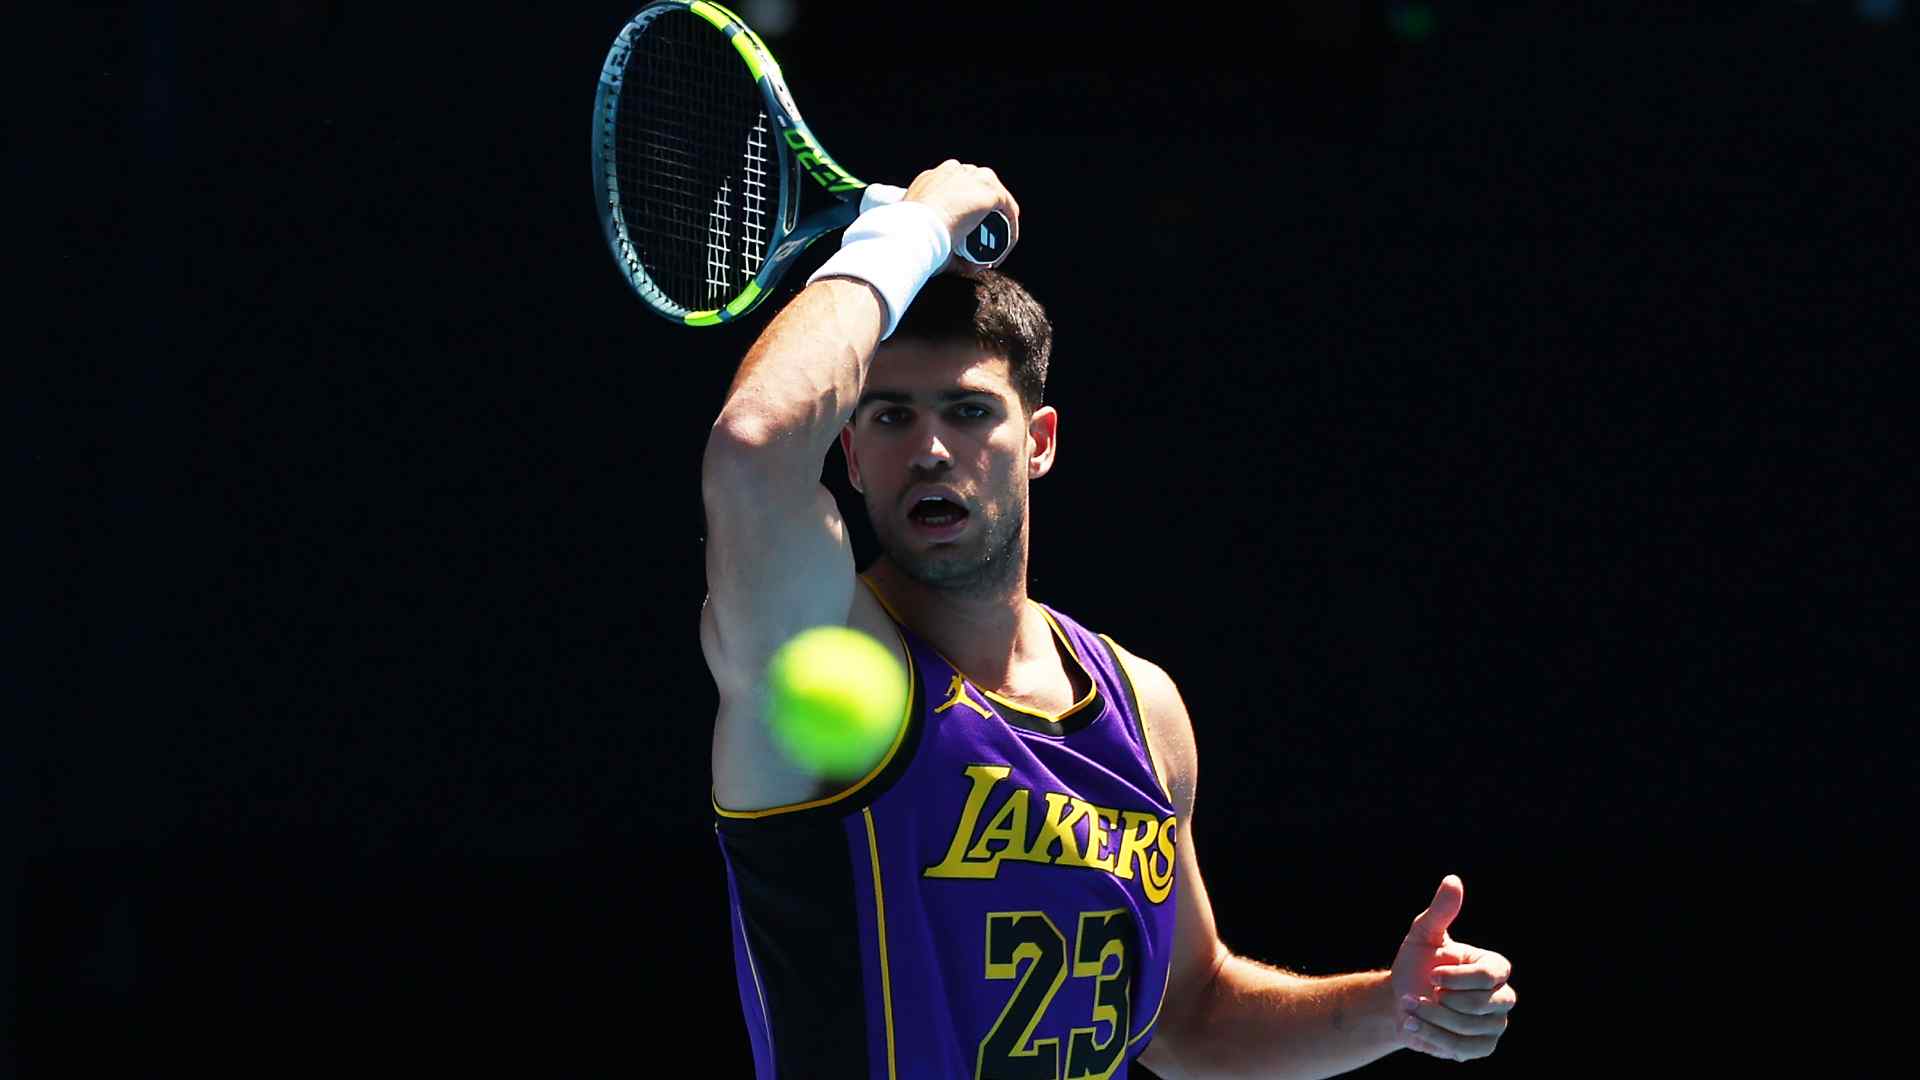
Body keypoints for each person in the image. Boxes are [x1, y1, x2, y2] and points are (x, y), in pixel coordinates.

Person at [700, 160, 1517, 1078]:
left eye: (968, 412)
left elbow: (1192, 1016)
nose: (929, 449)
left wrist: (1392, 1007)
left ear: (1038, 442)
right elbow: (754, 445)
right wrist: (913, 230)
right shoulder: (815, 646)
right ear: (849, 454)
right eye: (890, 418)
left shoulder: (1142, 710)